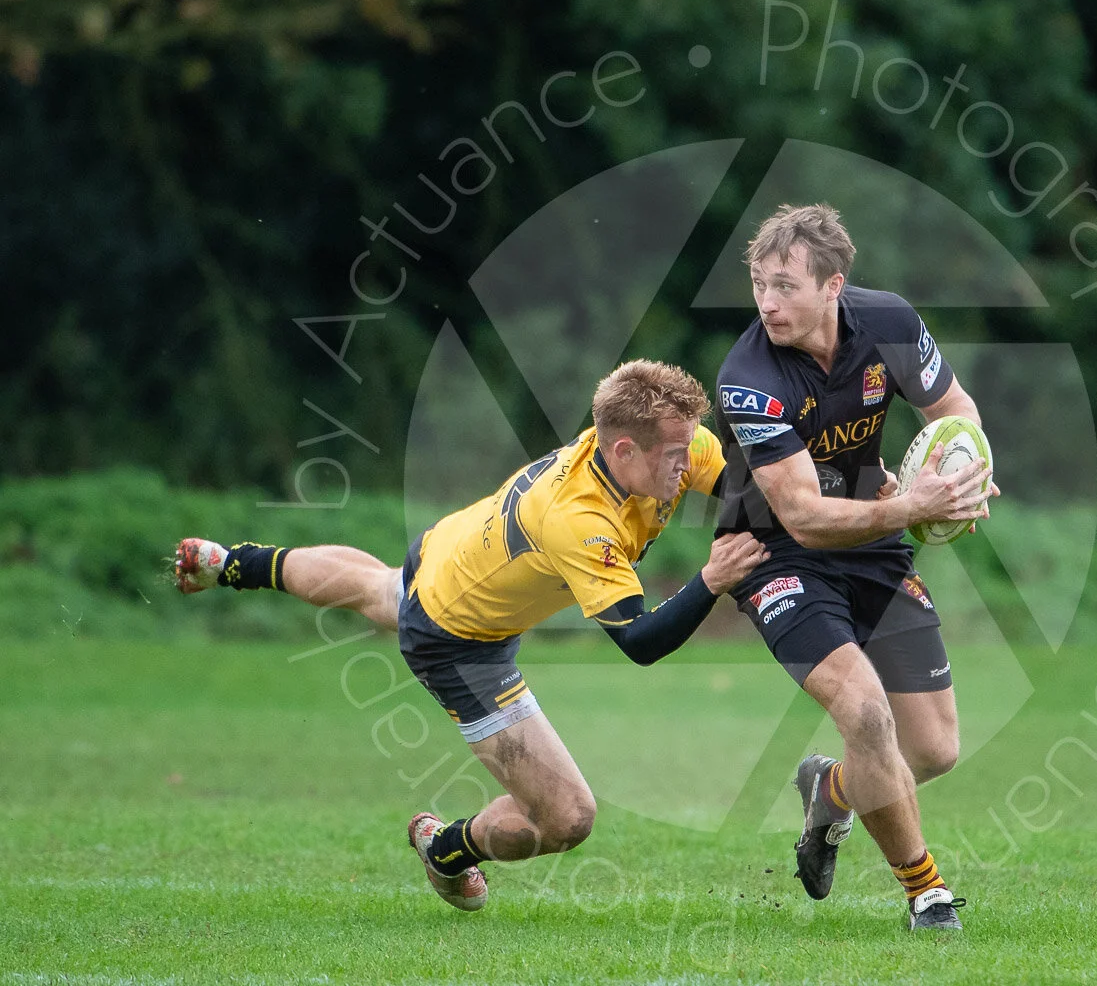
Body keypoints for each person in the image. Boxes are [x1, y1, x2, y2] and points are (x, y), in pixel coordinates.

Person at [173, 359, 768, 911]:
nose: (688, 464)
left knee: (379, 588)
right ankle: (446, 847)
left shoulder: (664, 441)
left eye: (689, 447)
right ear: (622, 448)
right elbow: (639, 641)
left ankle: (235, 563)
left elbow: (753, 484)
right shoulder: (580, 520)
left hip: (450, 552)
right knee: (566, 818)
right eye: (674, 455)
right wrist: (712, 579)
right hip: (457, 643)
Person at [713, 204, 997, 930]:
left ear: (833, 285)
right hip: (778, 556)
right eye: (758, 285)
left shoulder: (892, 323)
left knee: (932, 749)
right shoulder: (748, 375)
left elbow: (953, 406)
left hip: (872, 545)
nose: (768, 303)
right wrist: (910, 508)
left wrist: (966, 471)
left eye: (785, 286)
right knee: (867, 714)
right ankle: (927, 893)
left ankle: (830, 794)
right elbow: (804, 516)